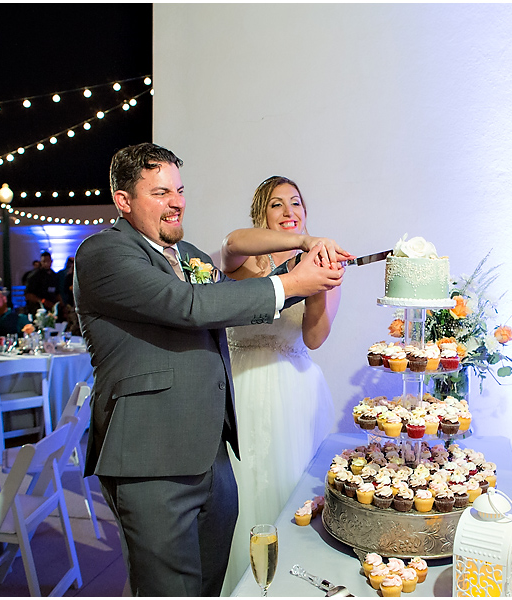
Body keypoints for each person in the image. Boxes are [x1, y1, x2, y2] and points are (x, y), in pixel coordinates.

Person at [73, 143, 347, 596]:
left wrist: (312, 275)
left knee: (207, 584)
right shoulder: (104, 253)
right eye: (160, 192)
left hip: (212, 458)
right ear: (124, 201)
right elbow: (189, 305)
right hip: (150, 459)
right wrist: (293, 280)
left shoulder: (191, 256)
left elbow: (236, 300)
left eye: (178, 190)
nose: (177, 201)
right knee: (167, 589)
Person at [219, 175, 350, 595]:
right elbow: (233, 242)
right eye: (278, 204)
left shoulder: (325, 265)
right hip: (241, 387)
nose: (290, 211)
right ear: (262, 215)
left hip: (293, 392)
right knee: (241, 488)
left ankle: (297, 584)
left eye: (296, 203)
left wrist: (316, 281)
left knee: (292, 489)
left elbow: (313, 338)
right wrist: (304, 243)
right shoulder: (242, 265)